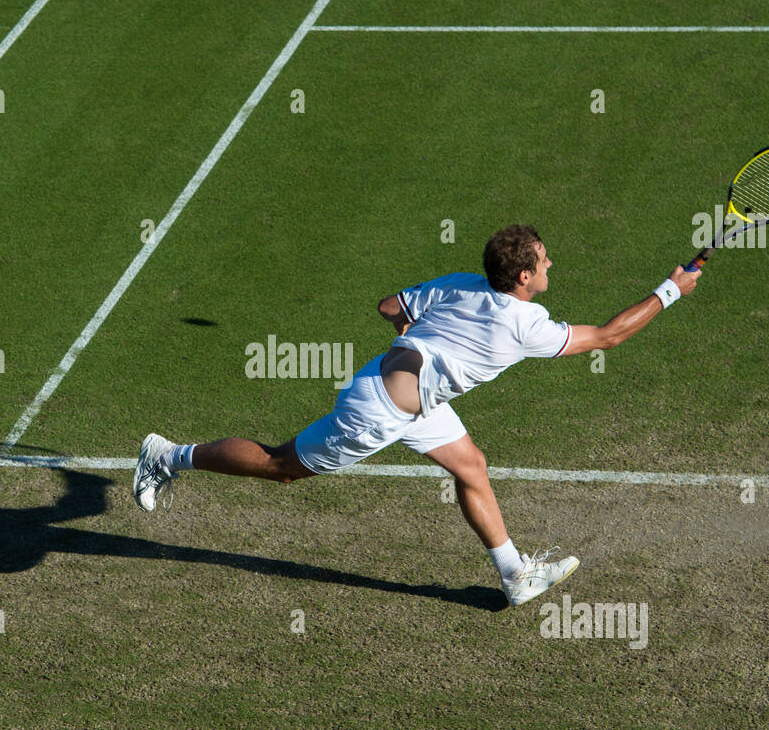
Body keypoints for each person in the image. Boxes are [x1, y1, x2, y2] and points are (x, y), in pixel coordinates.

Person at [133, 224, 701, 607]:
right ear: (524, 276)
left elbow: (389, 307)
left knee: (471, 466)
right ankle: (167, 456)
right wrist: (670, 290)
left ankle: (514, 577)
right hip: (376, 412)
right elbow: (607, 337)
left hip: (414, 394)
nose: (551, 263)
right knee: (282, 466)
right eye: (544, 260)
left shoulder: (464, 285)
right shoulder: (526, 324)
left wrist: (414, 336)